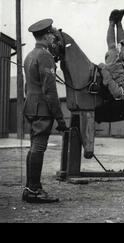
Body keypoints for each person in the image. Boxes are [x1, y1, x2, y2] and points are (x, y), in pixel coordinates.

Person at [22, 19, 68, 203]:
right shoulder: (45, 56)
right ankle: (33, 190)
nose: (53, 39)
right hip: (43, 109)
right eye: (52, 35)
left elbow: (28, 86)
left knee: (34, 147)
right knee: (39, 148)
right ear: (47, 36)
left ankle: (31, 187)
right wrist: (61, 119)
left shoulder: (30, 56)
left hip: (31, 107)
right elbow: (50, 91)